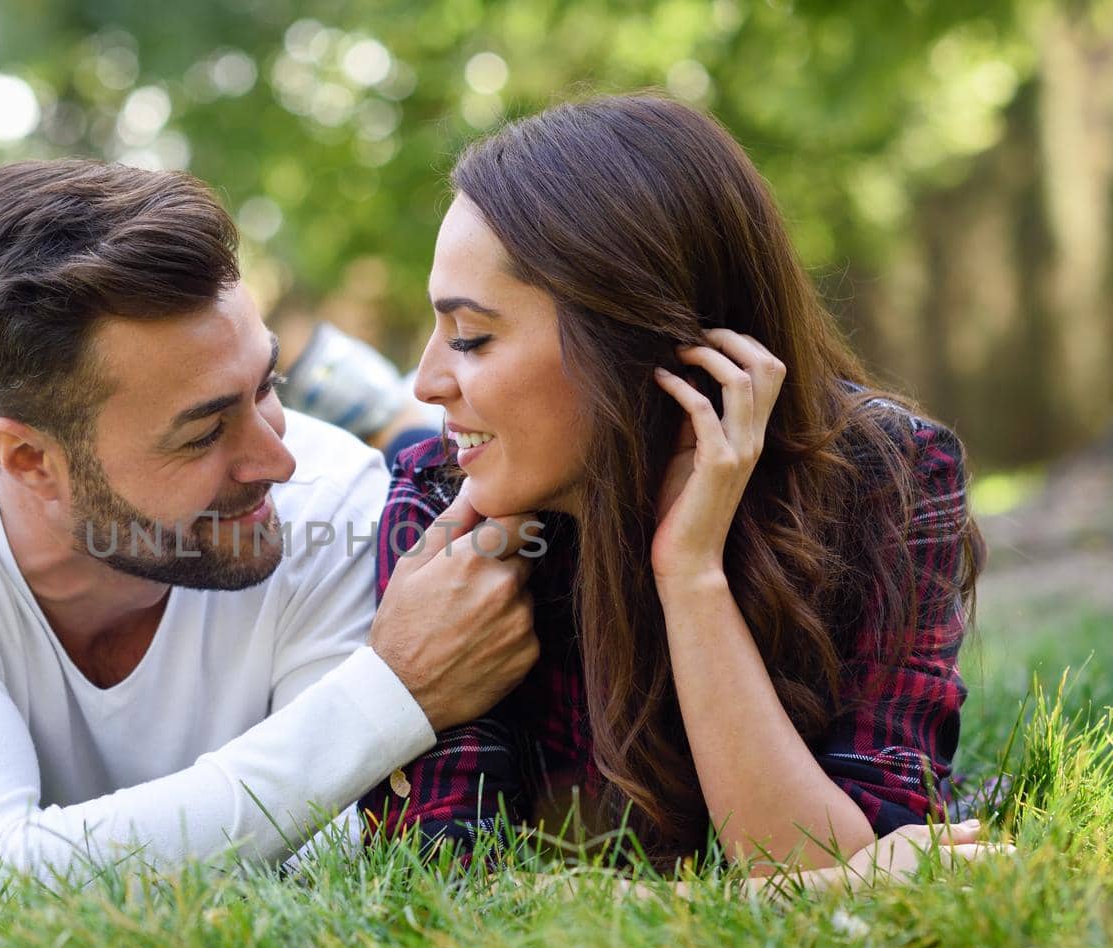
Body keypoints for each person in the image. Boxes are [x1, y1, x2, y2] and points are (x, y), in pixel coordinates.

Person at [0, 159, 541, 884]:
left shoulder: (328, 497)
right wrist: (390, 695)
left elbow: (328, 853)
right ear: (33, 460)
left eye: (266, 386)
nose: (277, 461)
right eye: (205, 430)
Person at [359, 94, 994, 876]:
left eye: (471, 338)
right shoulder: (442, 509)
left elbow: (846, 843)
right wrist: (806, 893)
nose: (424, 384)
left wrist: (690, 574)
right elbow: (448, 881)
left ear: (632, 343)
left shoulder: (886, 479)